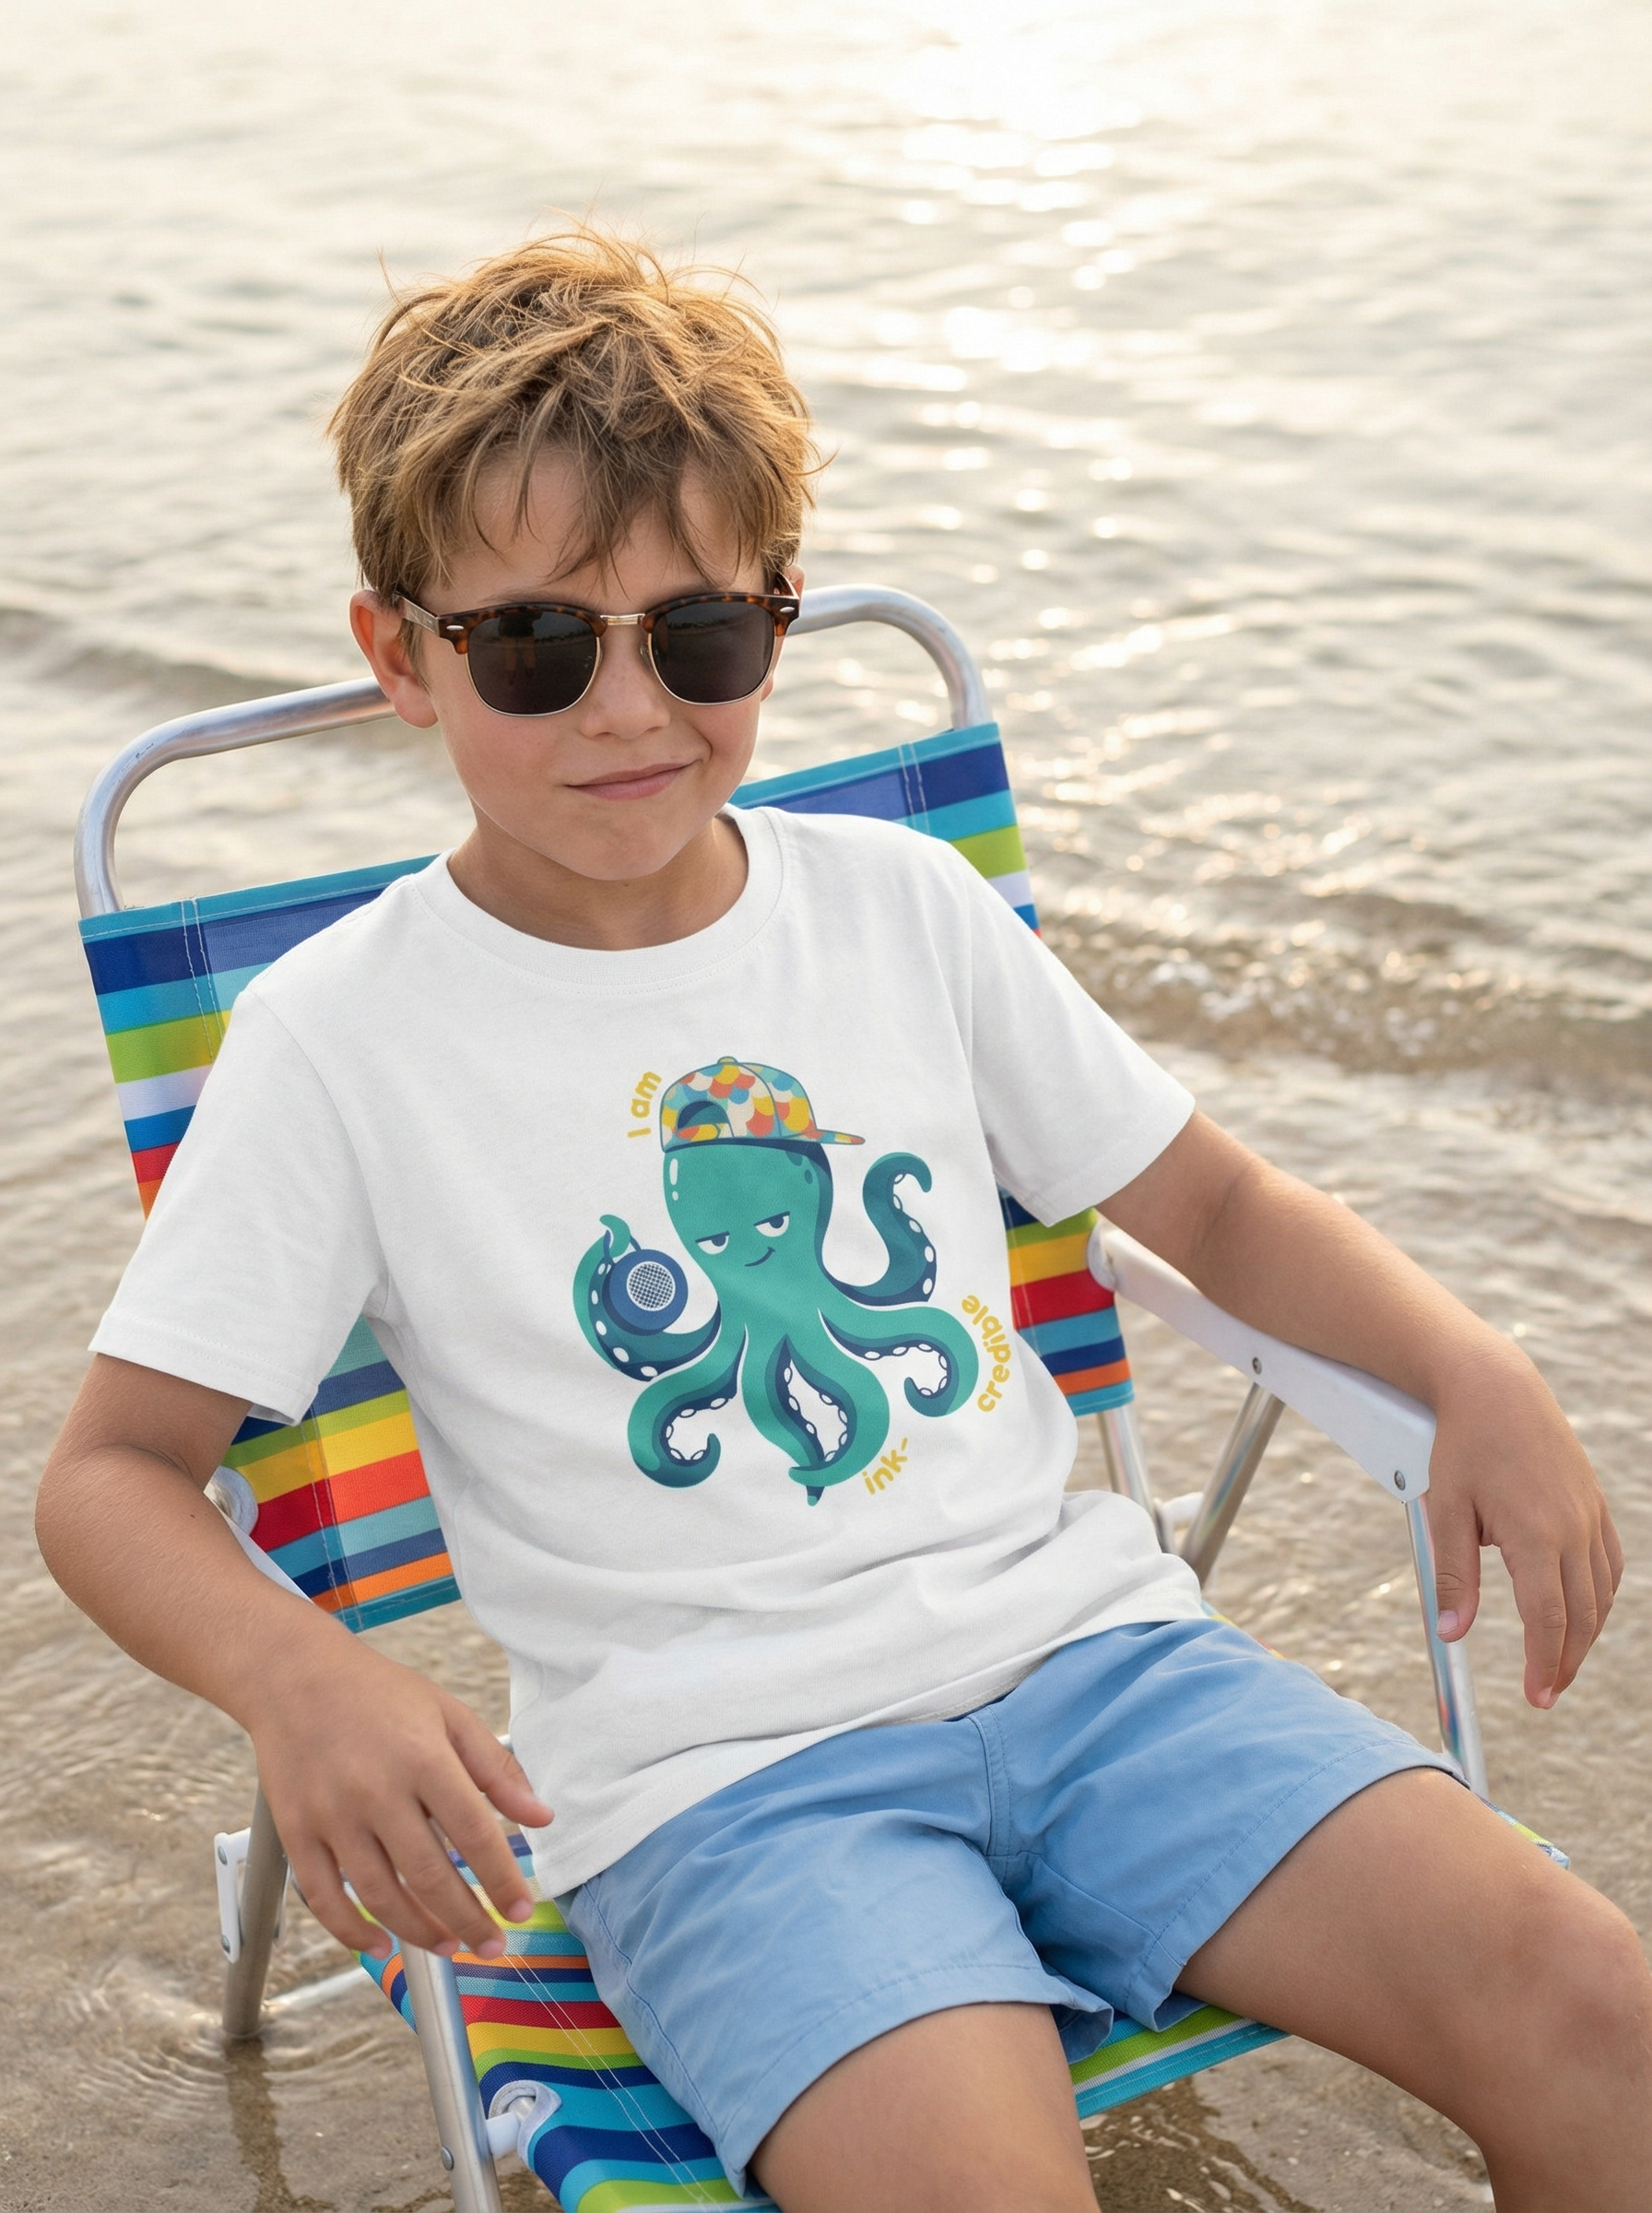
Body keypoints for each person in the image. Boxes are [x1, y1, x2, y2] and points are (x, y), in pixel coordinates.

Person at [35, 227, 1650, 2213]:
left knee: (1596, 2013)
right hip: (729, 1793)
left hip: (1099, 1669)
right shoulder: (339, 1036)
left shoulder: (900, 909)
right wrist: (303, 1681)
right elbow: (113, 1475)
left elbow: (1212, 1203)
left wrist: (1462, 1365)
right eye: (538, 645)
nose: (632, 710)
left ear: (775, 625)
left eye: (700, 637)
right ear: (400, 656)